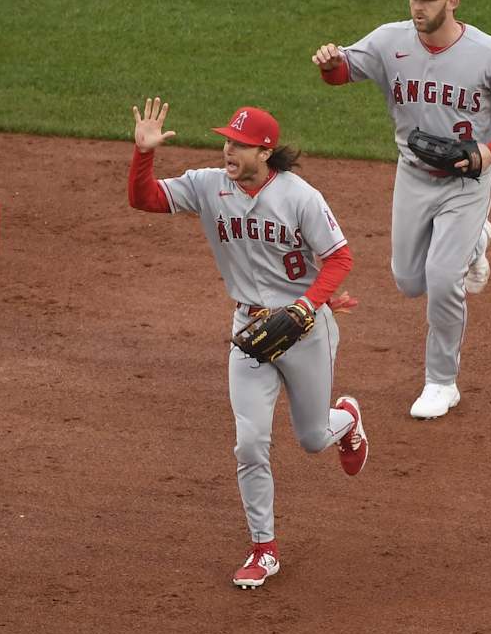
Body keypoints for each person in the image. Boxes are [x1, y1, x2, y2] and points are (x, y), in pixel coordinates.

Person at [128, 98, 369, 589]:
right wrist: (144, 154)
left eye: (239, 144)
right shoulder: (208, 185)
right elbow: (145, 199)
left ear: (266, 150)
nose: (227, 150)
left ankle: (346, 420)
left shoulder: (300, 197)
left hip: (304, 331)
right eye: (226, 140)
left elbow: (339, 259)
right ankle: (264, 547)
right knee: (250, 443)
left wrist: (307, 306)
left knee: (311, 438)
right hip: (249, 333)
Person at [312, 0, 491, 419]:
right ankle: (478, 240)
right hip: (414, 174)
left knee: (442, 281)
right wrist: (330, 64)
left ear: (452, 2)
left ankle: (442, 382)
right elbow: (343, 74)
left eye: (429, 0)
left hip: (467, 180)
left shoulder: (490, 54)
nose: (418, 7)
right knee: (408, 280)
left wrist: (489, 152)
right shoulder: (388, 41)